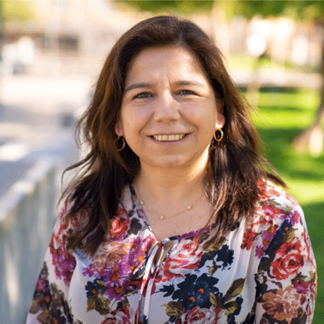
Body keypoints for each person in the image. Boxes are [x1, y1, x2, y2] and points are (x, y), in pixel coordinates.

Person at [26, 16, 317, 324]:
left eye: (186, 92)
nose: (165, 113)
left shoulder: (273, 220)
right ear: (118, 121)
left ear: (220, 112)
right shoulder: (83, 209)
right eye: (142, 95)